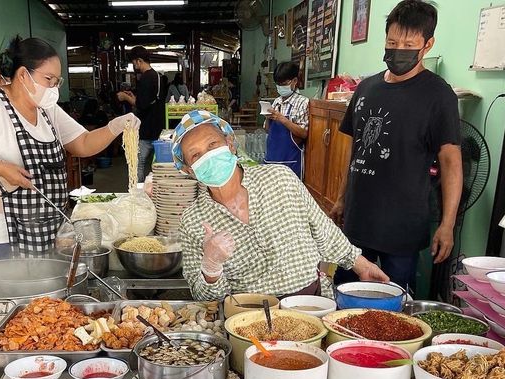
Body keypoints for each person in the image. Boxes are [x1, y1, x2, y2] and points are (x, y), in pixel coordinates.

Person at [0, 36, 139, 258]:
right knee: (15, 289)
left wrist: (115, 127)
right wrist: (0, 168)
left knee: (47, 289)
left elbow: (82, 144)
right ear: (23, 75)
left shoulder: (46, 109)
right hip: (4, 230)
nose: (53, 87)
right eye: (48, 79)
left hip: (49, 225)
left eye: (57, 81)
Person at [172, 110, 388, 301]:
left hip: (311, 304)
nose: (208, 156)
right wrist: (211, 267)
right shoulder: (192, 221)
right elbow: (202, 296)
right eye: (196, 155)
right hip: (248, 320)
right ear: (190, 170)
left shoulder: (280, 178)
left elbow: (324, 230)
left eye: (212, 144)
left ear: (229, 143)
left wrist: (363, 265)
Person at [331, 0, 462, 293]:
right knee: (344, 296)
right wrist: (342, 198)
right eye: (392, 41)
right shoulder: (366, 88)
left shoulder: (438, 95)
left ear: (427, 45)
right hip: (358, 219)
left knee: (392, 307)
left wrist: (447, 224)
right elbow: (354, 151)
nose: (398, 49)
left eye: (408, 43)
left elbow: (451, 162)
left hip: (402, 226)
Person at [116, 46, 166, 182]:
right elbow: (148, 100)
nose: (134, 65)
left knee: (138, 164)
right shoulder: (156, 76)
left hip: (146, 128)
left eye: (134, 62)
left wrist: (125, 98)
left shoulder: (146, 78)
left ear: (139, 61)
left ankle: (137, 192)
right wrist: (133, 96)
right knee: (158, 166)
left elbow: (141, 105)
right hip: (157, 126)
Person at [264, 61, 309, 179]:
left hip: (290, 163)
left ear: (294, 81)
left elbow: (304, 133)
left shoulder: (303, 103)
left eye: (284, 83)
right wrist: (268, 119)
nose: (280, 87)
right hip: (271, 160)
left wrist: (282, 119)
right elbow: (268, 130)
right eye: (278, 84)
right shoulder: (276, 102)